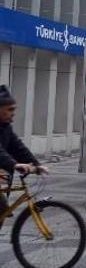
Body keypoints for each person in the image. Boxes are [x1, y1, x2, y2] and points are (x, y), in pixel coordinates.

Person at [0, 86, 49, 216]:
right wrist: (14, 164)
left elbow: (18, 147)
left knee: (2, 212)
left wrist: (36, 165)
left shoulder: (6, 127)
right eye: (10, 109)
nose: (13, 113)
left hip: (3, 175)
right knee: (2, 207)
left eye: (14, 109)